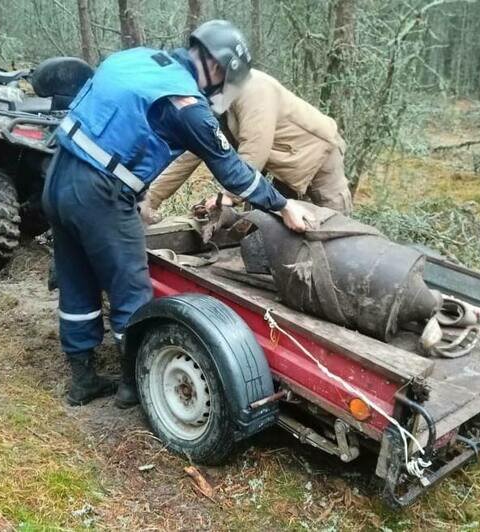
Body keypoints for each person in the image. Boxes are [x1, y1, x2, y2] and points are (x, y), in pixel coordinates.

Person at [41, 20, 312, 408]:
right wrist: (283, 205)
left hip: (58, 177)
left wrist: (138, 190)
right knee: (132, 289)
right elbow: (233, 171)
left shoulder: (137, 59)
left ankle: (82, 378)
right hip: (99, 195)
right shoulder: (187, 105)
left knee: (77, 277)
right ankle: (134, 384)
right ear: (218, 68)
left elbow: (118, 123)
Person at [141, 68, 352, 222]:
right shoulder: (213, 104)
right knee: (276, 230)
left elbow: (255, 149)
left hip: (320, 156)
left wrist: (228, 198)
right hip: (283, 167)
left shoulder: (254, 89)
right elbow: (190, 156)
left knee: (336, 230)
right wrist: (149, 200)